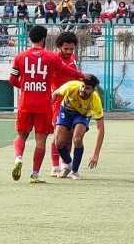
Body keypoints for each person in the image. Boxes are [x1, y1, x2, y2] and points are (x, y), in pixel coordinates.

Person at [8, 25, 85, 183]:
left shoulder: (20, 57)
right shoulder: (52, 57)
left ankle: (18, 159)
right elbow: (68, 72)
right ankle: (35, 174)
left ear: (30, 38)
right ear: (44, 39)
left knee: (21, 135)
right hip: (44, 103)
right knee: (41, 140)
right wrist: (83, 76)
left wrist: (26, 86)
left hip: (26, 103)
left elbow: (12, 80)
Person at [52, 77, 104, 180]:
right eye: (83, 86)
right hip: (66, 111)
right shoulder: (70, 86)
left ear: (93, 90)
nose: (83, 90)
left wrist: (96, 155)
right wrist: (49, 110)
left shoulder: (95, 100)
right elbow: (55, 93)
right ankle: (68, 165)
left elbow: (101, 129)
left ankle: (74, 171)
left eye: (87, 88)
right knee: (58, 142)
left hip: (82, 115)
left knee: (77, 139)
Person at [48, 31, 80, 177]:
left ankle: (65, 165)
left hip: (72, 102)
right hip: (58, 102)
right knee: (58, 136)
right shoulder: (53, 59)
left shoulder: (73, 58)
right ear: (59, 47)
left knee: (70, 136)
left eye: (71, 49)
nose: (69, 51)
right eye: (66, 48)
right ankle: (55, 166)